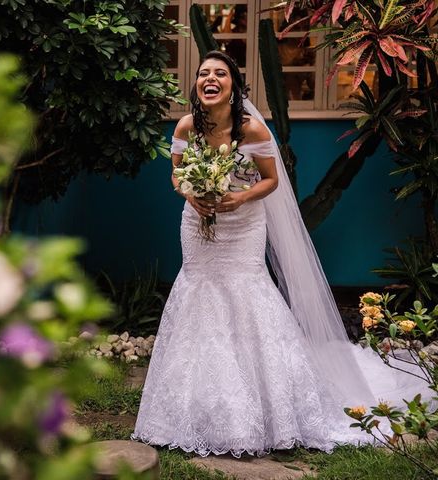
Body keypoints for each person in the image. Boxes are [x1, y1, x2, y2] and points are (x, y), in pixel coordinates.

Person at [131, 50, 434, 458]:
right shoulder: (187, 125)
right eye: (204, 73)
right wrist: (190, 192)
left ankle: (264, 405)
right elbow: (177, 172)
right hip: (198, 225)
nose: (210, 78)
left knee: (246, 294)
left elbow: (272, 181)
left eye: (220, 73)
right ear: (196, 84)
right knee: (198, 293)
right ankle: (194, 407)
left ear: (233, 86)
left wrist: (238, 198)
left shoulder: (253, 131)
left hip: (243, 225)